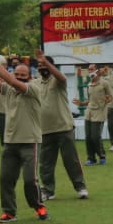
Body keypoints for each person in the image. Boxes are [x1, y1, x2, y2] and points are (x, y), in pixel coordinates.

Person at [0, 40, 49, 223]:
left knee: (30, 180)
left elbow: (14, 82)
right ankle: (9, 212)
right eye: (18, 74)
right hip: (10, 141)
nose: (20, 77)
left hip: (30, 141)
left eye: (23, 75)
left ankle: (38, 206)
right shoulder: (7, 90)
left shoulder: (34, 88)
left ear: (29, 76)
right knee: (6, 179)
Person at [34, 52, 88, 200]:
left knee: (71, 160)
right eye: (39, 66)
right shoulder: (35, 83)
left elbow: (62, 77)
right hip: (44, 129)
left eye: (44, 65)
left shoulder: (57, 81)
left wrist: (46, 62)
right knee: (46, 163)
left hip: (64, 127)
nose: (42, 68)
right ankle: (48, 190)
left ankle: (80, 187)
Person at [74, 65, 111, 166]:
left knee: (95, 137)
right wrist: (81, 103)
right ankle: (91, 158)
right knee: (88, 137)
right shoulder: (89, 84)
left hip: (100, 112)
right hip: (89, 112)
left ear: (97, 70)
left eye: (92, 69)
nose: (90, 71)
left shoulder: (104, 83)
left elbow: (110, 97)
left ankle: (102, 156)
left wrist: (107, 100)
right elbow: (90, 100)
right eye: (89, 69)